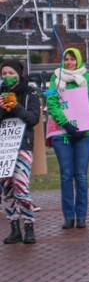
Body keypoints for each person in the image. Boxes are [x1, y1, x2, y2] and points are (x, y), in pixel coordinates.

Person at [48, 48, 89, 229]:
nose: (69, 63)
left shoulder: (88, 78)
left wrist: (85, 123)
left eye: (72, 59)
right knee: (66, 175)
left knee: (81, 176)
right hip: (62, 134)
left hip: (84, 134)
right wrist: (66, 123)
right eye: (66, 60)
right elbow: (52, 104)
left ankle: (82, 215)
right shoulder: (56, 78)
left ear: (78, 60)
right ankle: (68, 216)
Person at [0, 60, 39, 245]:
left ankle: (29, 224)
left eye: (10, 72)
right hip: (4, 148)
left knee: (21, 187)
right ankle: (14, 227)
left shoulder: (29, 93)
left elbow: (33, 119)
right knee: (7, 190)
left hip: (23, 146)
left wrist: (16, 107)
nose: (7, 76)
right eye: (4, 73)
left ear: (18, 73)